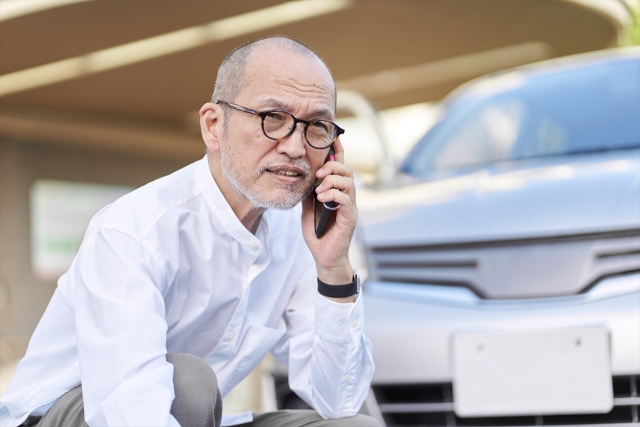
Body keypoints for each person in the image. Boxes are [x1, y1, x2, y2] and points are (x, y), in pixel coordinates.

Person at [0, 37, 380, 427]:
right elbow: (132, 413)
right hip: (79, 418)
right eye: (274, 118)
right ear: (214, 126)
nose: (297, 147)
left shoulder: (300, 235)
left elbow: (340, 400)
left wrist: (333, 269)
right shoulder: (133, 232)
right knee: (189, 385)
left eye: (317, 126)